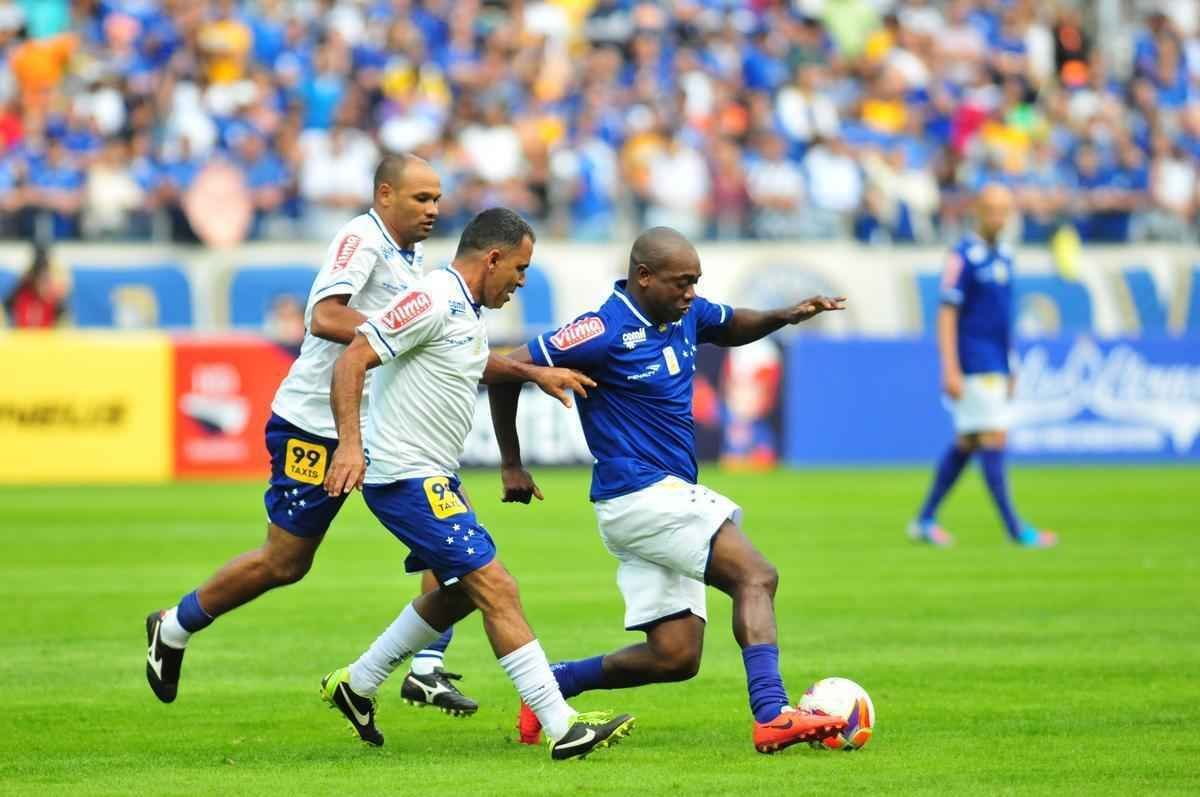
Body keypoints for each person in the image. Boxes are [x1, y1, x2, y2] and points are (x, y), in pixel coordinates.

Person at [144, 157, 583, 712]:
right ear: (384, 195)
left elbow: (447, 343)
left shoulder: (416, 260)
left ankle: (424, 667)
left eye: (437, 199)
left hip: (383, 432)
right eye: (421, 198)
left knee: (460, 548)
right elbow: (324, 316)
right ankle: (176, 625)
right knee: (285, 562)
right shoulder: (361, 238)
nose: (433, 210)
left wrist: (521, 370)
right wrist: (401, 330)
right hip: (316, 425)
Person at [488, 226, 850, 755]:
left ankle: (552, 686)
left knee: (675, 656)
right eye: (682, 283)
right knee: (756, 575)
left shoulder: (687, 313)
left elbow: (730, 325)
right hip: (640, 494)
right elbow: (506, 370)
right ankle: (772, 715)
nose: (691, 293)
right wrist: (512, 464)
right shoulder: (602, 329)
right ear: (643, 277)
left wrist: (785, 315)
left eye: (696, 282)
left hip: (656, 500)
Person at [318, 208, 633, 761]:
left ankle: (358, 683)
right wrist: (348, 443)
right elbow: (354, 357)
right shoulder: (433, 296)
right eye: (519, 268)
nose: (521, 281)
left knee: (463, 591)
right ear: (492, 258)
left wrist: (533, 372)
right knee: (497, 587)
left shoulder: (463, 307)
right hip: (404, 473)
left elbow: (469, 360)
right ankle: (562, 726)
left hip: (434, 473)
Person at [908, 184, 1057, 549]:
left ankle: (925, 519)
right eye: (991, 209)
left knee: (968, 441)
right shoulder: (964, 256)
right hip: (973, 361)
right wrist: (950, 367)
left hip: (997, 361)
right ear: (976, 210)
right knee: (993, 437)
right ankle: (1015, 528)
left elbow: (1003, 318)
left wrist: (1012, 362)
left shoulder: (1004, 255)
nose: (998, 217)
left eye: (1004, 210)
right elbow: (946, 313)